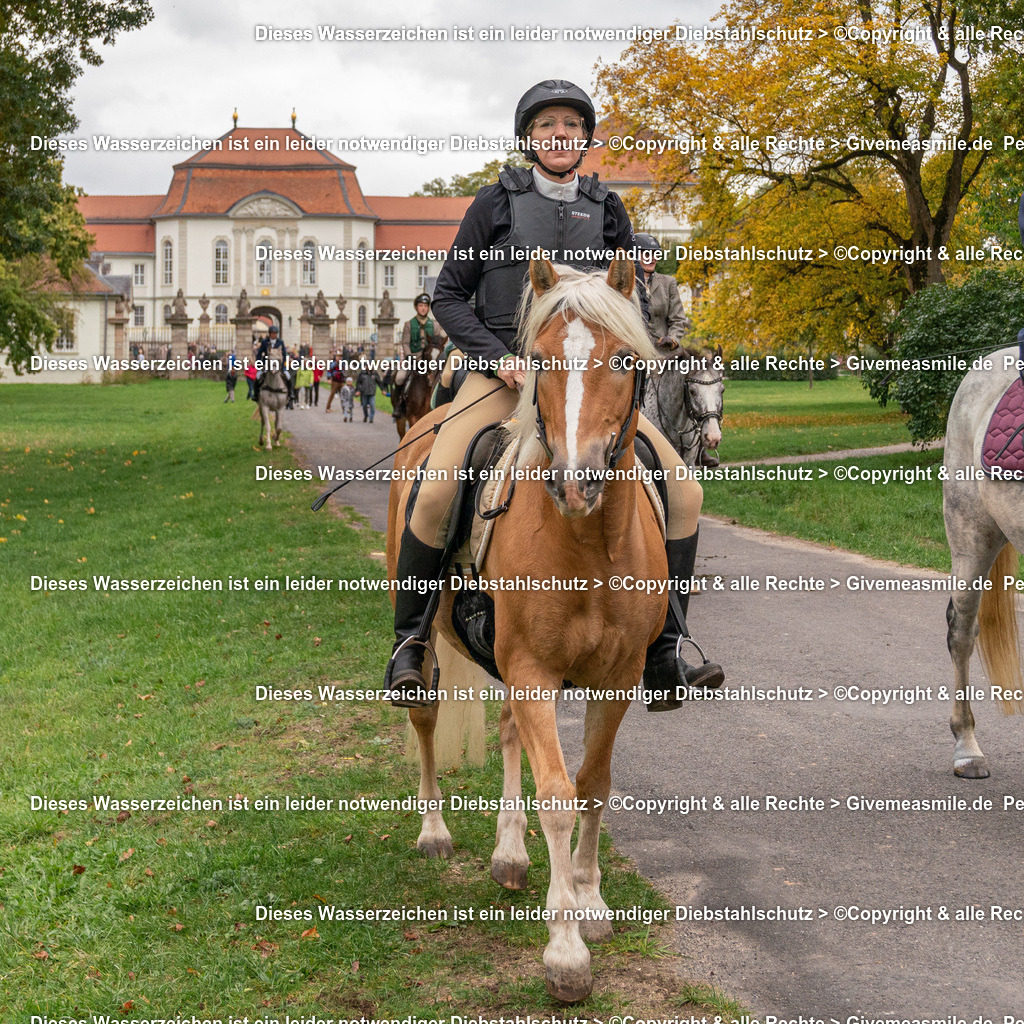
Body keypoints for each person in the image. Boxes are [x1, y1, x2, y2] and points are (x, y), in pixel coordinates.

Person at [385, 79, 725, 710]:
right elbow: (450, 296)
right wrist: (500, 358)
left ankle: (667, 643)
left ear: (586, 137)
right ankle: (412, 643)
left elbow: (630, 300)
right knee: (434, 485)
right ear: (529, 138)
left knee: (684, 488)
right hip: (504, 376)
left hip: (586, 381)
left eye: (571, 124)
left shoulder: (610, 208)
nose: (559, 134)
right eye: (546, 126)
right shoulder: (495, 202)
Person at [634, 233, 692, 347]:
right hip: (635, 350)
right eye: (647, 254)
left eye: (655, 254)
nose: (652, 258)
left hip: (664, 351)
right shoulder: (625, 284)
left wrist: (672, 339)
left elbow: (678, 319)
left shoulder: (668, 283)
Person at [253, 324, 290, 401]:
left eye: (275, 333)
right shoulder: (264, 342)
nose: (274, 335)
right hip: (266, 365)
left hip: (279, 366)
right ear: (270, 334)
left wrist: (283, 367)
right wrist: (260, 366)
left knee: (288, 377)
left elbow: (284, 355)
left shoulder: (280, 342)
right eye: (273, 333)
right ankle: (256, 395)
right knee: (257, 377)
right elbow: (259, 354)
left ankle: (290, 394)